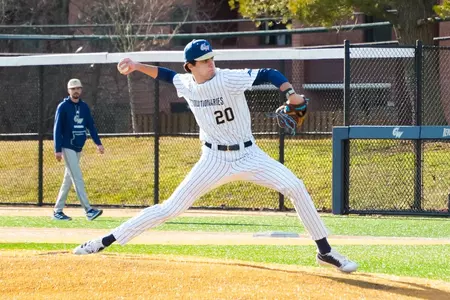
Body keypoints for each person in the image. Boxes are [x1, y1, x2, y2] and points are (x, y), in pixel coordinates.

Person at [73, 40, 358, 273]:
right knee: (170, 208)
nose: (211, 63)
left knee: (295, 186)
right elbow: (166, 75)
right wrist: (136, 66)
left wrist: (292, 96)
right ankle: (104, 240)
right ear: (191, 66)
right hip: (213, 160)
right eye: (205, 61)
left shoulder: (228, 78)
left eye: (212, 58)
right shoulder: (186, 83)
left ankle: (325, 251)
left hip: (249, 155)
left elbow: (270, 73)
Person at [52, 78, 104, 221]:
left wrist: (98, 143)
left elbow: (90, 126)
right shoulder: (63, 107)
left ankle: (57, 211)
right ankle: (88, 210)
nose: (76, 91)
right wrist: (57, 149)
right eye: (73, 89)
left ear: (81, 90)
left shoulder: (84, 107)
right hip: (67, 146)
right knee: (77, 177)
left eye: (78, 88)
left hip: (78, 147)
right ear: (68, 91)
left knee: (68, 180)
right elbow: (57, 129)